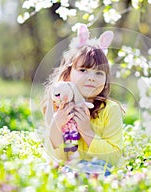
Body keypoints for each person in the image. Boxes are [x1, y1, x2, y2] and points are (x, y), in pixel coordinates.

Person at [42, 25, 124, 175]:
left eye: (99, 73)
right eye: (83, 70)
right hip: (68, 170)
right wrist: (57, 124)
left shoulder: (110, 109)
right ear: (68, 74)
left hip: (99, 170)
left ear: (106, 80)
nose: (91, 77)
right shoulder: (58, 106)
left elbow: (114, 158)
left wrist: (86, 130)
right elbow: (56, 158)